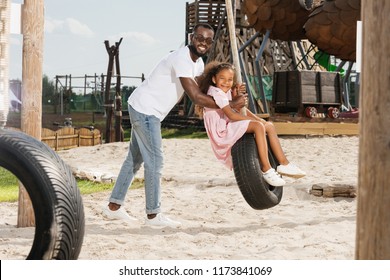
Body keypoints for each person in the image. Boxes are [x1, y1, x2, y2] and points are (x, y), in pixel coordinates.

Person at [102, 23, 247, 228]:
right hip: (146, 110)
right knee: (155, 161)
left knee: (134, 160)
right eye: (199, 38)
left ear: (211, 42)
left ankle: (113, 207)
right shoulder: (181, 58)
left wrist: (232, 92)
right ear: (191, 38)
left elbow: (208, 91)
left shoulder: (197, 63)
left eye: (207, 40)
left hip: (144, 108)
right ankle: (153, 215)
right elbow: (197, 97)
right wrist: (231, 106)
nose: (203, 43)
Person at [199, 61, 306, 187]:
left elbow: (238, 108)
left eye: (229, 79)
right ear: (213, 79)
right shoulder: (216, 93)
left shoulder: (225, 91)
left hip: (227, 124)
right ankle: (266, 169)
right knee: (257, 126)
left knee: (269, 126)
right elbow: (232, 114)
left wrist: (258, 118)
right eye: (222, 78)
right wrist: (256, 122)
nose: (226, 82)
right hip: (221, 131)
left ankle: (284, 164)